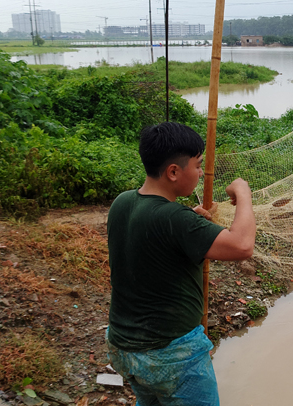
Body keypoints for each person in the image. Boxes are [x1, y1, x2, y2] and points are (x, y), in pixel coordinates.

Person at [105, 122, 256, 406]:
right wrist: (244, 193)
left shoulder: (122, 203)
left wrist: (189, 222)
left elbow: (155, 239)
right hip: (171, 356)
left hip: (124, 346)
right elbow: (242, 245)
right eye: (197, 166)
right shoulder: (177, 220)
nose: (201, 173)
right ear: (173, 172)